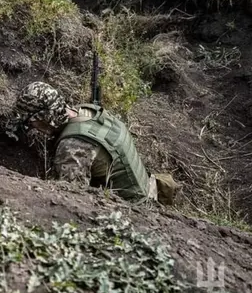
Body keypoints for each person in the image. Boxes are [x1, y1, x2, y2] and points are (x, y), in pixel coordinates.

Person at [10, 81, 178, 204]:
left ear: (45, 118)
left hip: (137, 208)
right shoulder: (88, 111)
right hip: (149, 186)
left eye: (32, 123)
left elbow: (69, 200)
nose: (34, 129)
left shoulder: (72, 147)